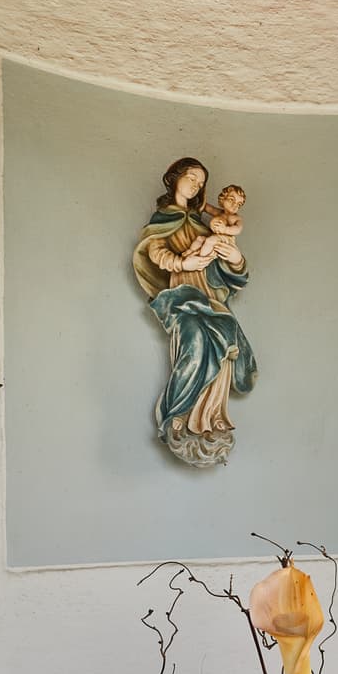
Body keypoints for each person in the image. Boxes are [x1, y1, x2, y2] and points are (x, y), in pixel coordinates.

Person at [132, 159, 257, 467]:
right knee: (195, 342)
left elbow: (234, 275)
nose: (196, 185)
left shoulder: (204, 223)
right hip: (182, 294)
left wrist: (236, 258)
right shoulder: (163, 218)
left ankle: (210, 418)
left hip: (211, 295)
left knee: (223, 351)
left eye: (201, 182)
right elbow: (155, 250)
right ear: (174, 179)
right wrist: (182, 264)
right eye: (191, 178)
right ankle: (177, 415)